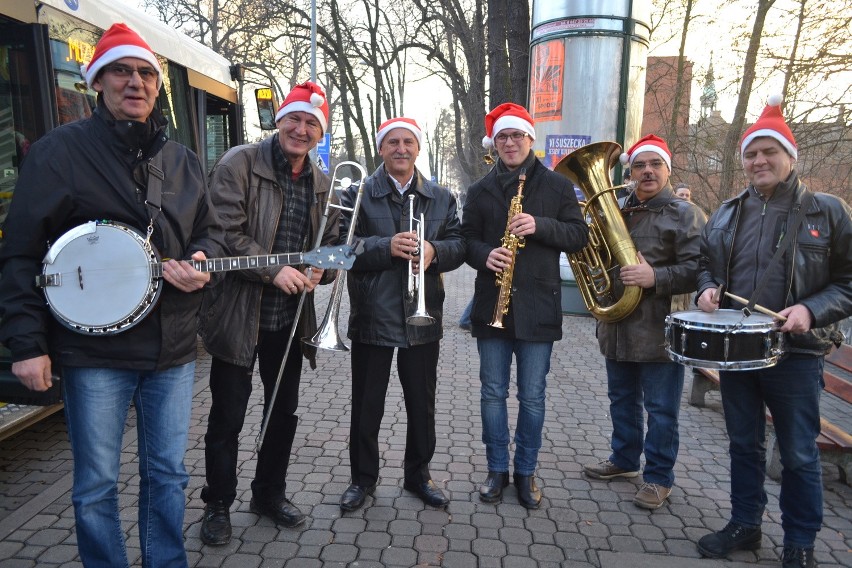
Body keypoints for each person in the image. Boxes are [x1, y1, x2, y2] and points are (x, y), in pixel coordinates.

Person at [0, 23, 223, 567]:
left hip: (170, 348)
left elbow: (209, 232)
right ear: (96, 81)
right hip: (92, 351)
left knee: (168, 474)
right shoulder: (59, 153)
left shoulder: (182, 160)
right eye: (121, 71)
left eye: (146, 73)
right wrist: (27, 345)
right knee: (96, 483)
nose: (136, 82)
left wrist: (201, 261)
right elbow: (21, 253)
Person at [694, 96, 852, 568]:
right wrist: (707, 290)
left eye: (769, 152)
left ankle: (800, 542)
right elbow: (706, 267)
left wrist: (810, 307)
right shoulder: (725, 212)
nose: (759, 161)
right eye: (751, 154)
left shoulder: (827, 212)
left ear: (790, 156)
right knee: (743, 444)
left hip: (796, 353)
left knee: (798, 454)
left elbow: (848, 282)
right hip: (738, 350)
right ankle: (746, 525)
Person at [197, 81, 339, 544]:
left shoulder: (323, 181)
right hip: (239, 314)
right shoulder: (239, 163)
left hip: (292, 320)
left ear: (320, 132)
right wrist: (273, 268)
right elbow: (223, 233)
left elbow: (333, 248)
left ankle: (268, 493)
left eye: (311, 123)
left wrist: (323, 269)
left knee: (283, 412)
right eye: (294, 119)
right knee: (227, 417)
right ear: (280, 120)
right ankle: (217, 504)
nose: (301, 129)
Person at [463, 103, 588, 509]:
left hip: (538, 307)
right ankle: (497, 470)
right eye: (503, 137)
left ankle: (526, 472)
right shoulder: (479, 190)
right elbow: (466, 240)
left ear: (530, 139)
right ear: (494, 143)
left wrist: (540, 225)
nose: (510, 142)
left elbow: (578, 235)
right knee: (492, 393)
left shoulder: (555, 186)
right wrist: (485, 255)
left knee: (532, 396)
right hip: (491, 307)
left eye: (517, 135)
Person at [338, 117, 465, 512]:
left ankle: (418, 476)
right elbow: (342, 246)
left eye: (408, 142)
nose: (400, 149)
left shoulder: (442, 197)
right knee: (367, 405)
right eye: (392, 142)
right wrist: (384, 246)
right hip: (373, 314)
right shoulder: (357, 193)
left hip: (422, 317)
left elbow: (460, 244)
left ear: (418, 148)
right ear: (381, 149)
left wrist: (436, 252)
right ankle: (362, 480)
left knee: (421, 403)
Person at [582, 134, 705, 510]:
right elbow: (596, 258)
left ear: (668, 170)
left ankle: (658, 478)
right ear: (631, 173)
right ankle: (623, 460)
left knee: (661, 409)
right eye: (639, 165)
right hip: (617, 325)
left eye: (655, 164)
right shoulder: (614, 208)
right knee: (621, 400)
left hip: (659, 329)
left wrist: (657, 278)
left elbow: (701, 269)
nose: (647, 171)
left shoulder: (686, 214)